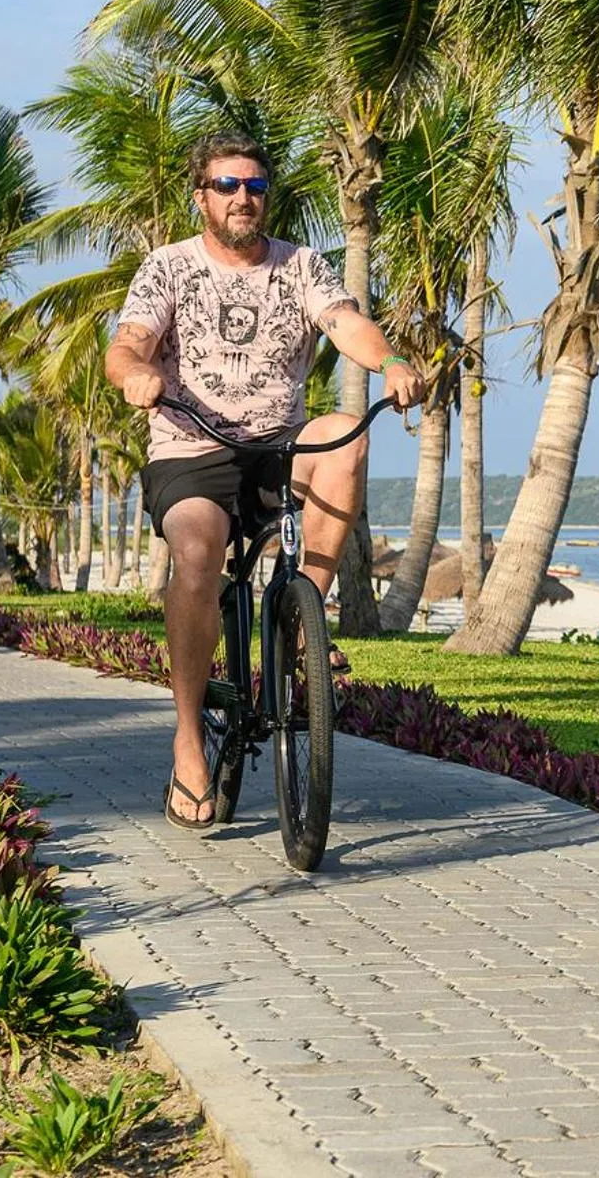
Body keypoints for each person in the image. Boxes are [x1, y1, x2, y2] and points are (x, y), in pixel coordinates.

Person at [106, 131, 424, 832]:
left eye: (254, 185)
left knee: (346, 437)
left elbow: (346, 325)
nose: (243, 197)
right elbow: (127, 342)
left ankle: (306, 608)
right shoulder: (167, 267)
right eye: (227, 186)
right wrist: (135, 372)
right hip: (192, 448)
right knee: (195, 558)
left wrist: (393, 362)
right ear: (202, 197)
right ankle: (189, 738)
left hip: (278, 446)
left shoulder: (301, 265)